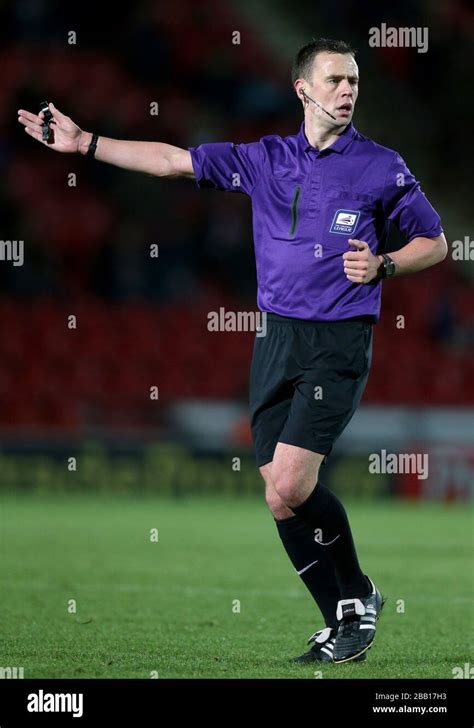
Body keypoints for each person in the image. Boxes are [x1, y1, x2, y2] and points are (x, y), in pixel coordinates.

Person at [18, 37, 447, 664]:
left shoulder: (381, 165)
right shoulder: (264, 158)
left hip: (338, 341)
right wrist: (86, 144)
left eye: (353, 80)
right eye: (334, 81)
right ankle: (342, 619)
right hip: (275, 338)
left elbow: (435, 241)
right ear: (303, 89)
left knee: (296, 482)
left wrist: (383, 263)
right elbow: (171, 160)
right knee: (277, 493)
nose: (347, 91)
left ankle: (357, 595)